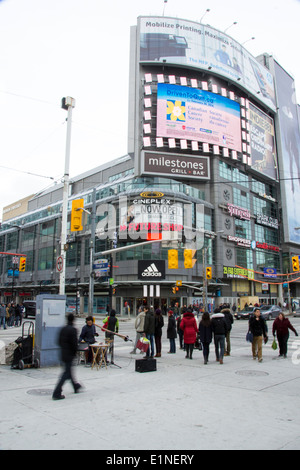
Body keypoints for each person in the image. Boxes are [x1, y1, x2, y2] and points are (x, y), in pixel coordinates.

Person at [52, 314, 82, 400]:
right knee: (66, 373)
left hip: (63, 353)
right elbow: (74, 344)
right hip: (69, 354)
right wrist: (75, 352)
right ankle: (56, 392)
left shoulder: (63, 329)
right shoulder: (73, 330)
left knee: (68, 371)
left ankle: (76, 386)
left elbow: (58, 341)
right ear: (73, 320)